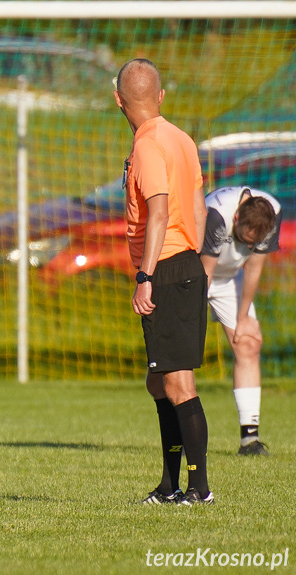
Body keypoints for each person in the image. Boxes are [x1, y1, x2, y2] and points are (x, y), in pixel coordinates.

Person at [114, 59, 212, 506]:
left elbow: (159, 210)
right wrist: (200, 266)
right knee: (160, 384)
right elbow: (199, 208)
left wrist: (146, 276)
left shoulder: (148, 146)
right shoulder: (181, 138)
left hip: (166, 268)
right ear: (160, 96)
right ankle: (171, 485)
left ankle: (199, 488)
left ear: (119, 100)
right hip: (187, 263)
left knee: (178, 385)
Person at [201, 186, 280, 456]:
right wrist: (192, 318)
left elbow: (254, 266)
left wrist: (244, 316)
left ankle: (250, 440)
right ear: (237, 218)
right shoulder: (217, 214)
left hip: (227, 279)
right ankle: (182, 436)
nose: (248, 246)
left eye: (252, 243)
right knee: (180, 355)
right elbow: (206, 271)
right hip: (196, 273)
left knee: (248, 343)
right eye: (245, 239)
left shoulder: (270, 213)